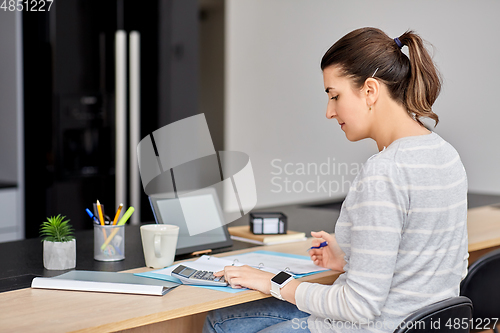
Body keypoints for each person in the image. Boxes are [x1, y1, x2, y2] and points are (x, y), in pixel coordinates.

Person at [203, 27, 468, 333]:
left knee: (222, 324)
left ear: (370, 91)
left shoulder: (384, 172)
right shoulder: (446, 155)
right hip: (419, 326)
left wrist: (273, 283)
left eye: (335, 95)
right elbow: (445, 265)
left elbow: (359, 307)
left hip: (373, 328)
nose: (329, 111)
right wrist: (350, 261)